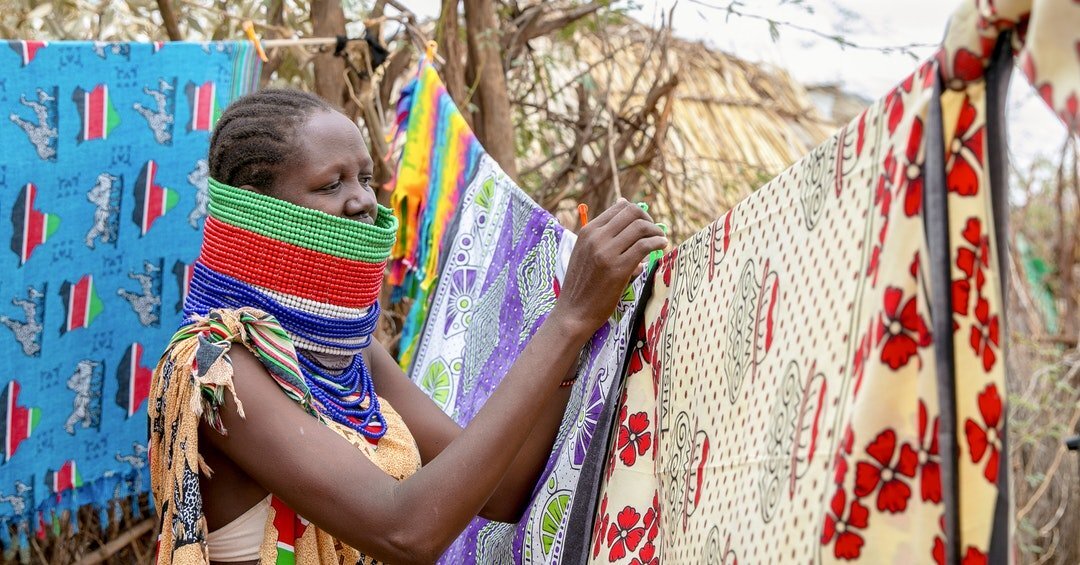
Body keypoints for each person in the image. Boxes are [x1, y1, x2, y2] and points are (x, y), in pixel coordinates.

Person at [148, 89, 666, 565]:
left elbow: (504, 491)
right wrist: (567, 320)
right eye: (331, 184)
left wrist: (582, 330)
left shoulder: (351, 355)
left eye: (366, 178)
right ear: (257, 210)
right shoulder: (216, 370)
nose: (364, 201)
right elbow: (405, 531)